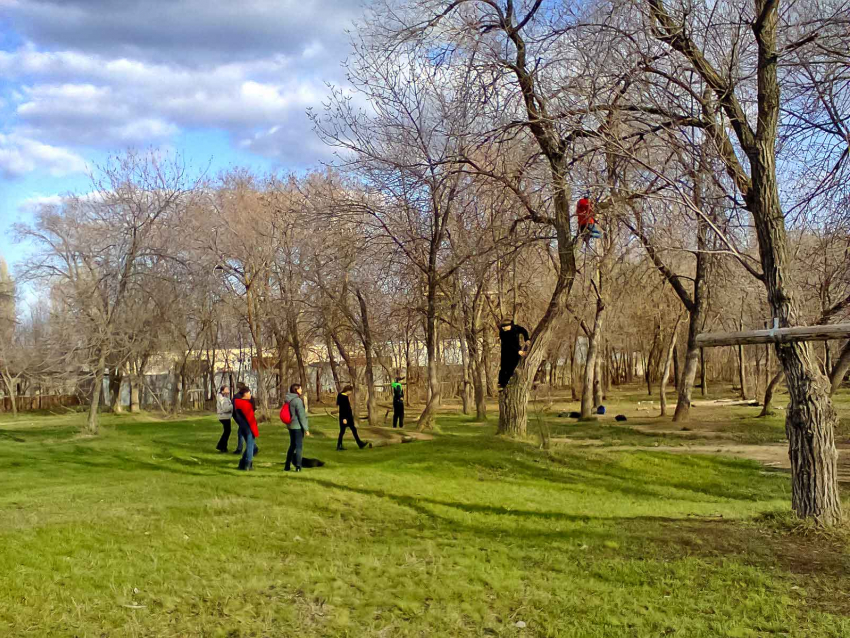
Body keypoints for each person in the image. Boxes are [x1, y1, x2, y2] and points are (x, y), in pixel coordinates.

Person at [284, 383, 311, 472]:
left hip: (290, 426)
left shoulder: (287, 399)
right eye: (300, 388)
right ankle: (298, 466)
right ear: (296, 390)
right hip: (297, 426)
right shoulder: (297, 401)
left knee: (292, 445)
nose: (301, 390)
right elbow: (301, 416)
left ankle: (287, 465)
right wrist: (306, 429)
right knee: (299, 446)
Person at [498, 319, 530, 390]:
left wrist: (526, 339)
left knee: (514, 366)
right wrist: (518, 351)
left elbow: (523, 330)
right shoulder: (502, 333)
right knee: (505, 368)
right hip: (506, 351)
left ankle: (510, 382)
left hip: (516, 350)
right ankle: (502, 384)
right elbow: (509, 344)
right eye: (502, 327)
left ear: (509, 326)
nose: (503, 328)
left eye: (504, 327)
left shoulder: (516, 328)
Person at [233, 387, 259, 471]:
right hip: (248, 427)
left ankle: (242, 463)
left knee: (250, 446)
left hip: (242, 426)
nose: (250, 395)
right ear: (245, 394)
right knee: (251, 446)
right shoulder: (246, 404)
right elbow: (251, 419)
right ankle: (248, 464)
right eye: (249, 393)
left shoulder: (237, 403)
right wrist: (255, 430)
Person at [336, 385, 367, 450]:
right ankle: (339, 446)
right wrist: (344, 418)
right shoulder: (341, 396)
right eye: (350, 391)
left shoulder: (346, 396)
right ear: (348, 390)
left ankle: (360, 444)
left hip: (349, 416)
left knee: (354, 430)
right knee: (342, 431)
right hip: (344, 417)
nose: (351, 392)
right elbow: (341, 408)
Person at [215, 385, 233, 453]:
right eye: (226, 389)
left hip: (224, 416)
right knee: (227, 432)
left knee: (227, 431)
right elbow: (225, 409)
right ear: (223, 391)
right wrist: (232, 405)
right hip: (224, 417)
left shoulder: (224, 397)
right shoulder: (223, 399)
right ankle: (221, 446)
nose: (228, 389)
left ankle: (223, 447)